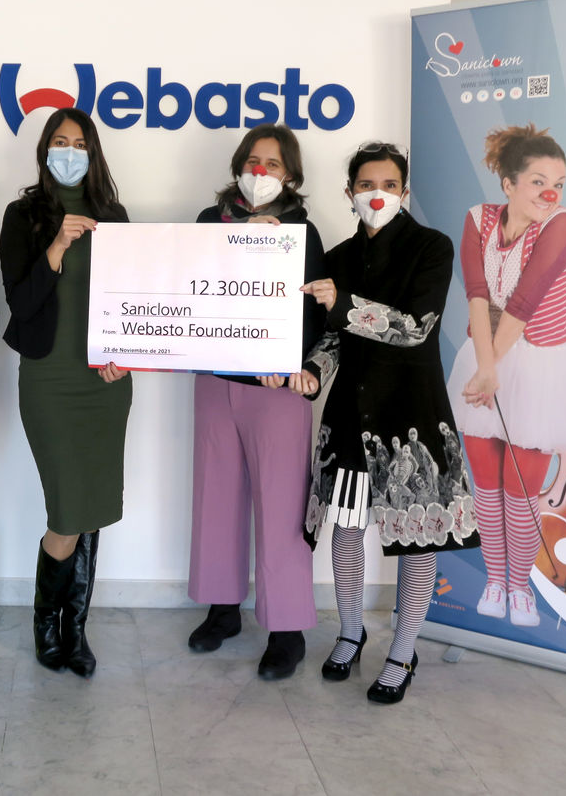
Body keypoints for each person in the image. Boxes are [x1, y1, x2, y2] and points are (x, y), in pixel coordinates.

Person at [292, 142, 477, 704]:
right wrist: (313, 371)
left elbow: (416, 326)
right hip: (352, 413)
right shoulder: (340, 257)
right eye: (366, 184)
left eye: (389, 184)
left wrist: (343, 303)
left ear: (404, 191)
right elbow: (333, 339)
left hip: (412, 415)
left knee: (416, 538)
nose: (378, 194)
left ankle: (404, 649)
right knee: (346, 528)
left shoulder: (431, 247)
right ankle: (351, 631)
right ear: (349, 192)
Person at [185, 125, 325, 679]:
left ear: (290, 175)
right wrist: (242, 237)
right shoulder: (208, 222)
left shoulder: (302, 232)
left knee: (283, 507)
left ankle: (287, 630)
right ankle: (223, 610)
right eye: (252, 161)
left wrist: (291, 362)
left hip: (277, 389)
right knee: (216, 497)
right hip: (216, 380)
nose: (260, 171)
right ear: (238, 166)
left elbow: (312, 311)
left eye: (273, 164)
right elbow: (188, 283)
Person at [0, 107, 131, 678]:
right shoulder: (22, 216)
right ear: (44, 150)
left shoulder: (114, 217)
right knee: (67, 511)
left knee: (91, 508)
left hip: (104, 384)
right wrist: (55, 247)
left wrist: (126, 353)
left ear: (93, 153)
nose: (69, 152)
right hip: (49, 380)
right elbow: (21, 302)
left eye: (79, 143)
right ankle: (44, 627)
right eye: (60, 141)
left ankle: (74, 632)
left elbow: (135, 301)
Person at [446, 124, 566, 627]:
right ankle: (495, 579)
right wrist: (484, 368)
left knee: (519, 487)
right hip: (485, 354)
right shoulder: (477, 220)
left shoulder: (561, 225)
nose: (551, 194)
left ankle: (520, 586)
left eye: (559, 183)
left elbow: (524, 303)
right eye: (538, 182)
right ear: (508, 184)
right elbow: (477, 294)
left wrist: (490, 370)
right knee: (485, 481)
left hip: (541, 363)